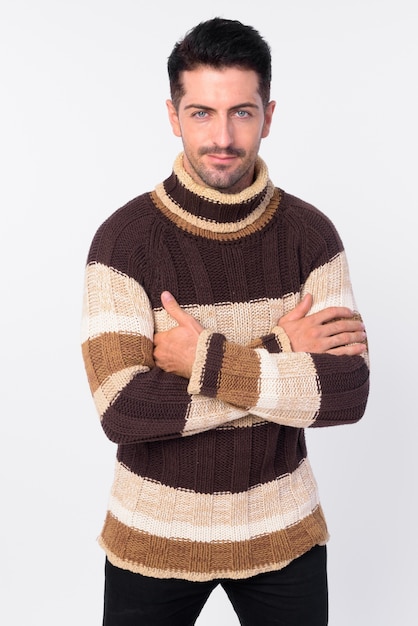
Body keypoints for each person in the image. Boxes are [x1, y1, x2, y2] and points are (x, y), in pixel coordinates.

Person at [81, 17, 369, 626]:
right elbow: (124, 408)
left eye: (241, 112)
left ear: (268, 115)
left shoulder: (311, 236)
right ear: (173, 114)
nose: (223, 136)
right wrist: (284, 345)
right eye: (202, 113)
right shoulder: (123, 242)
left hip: (282, 533)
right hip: (151, 535)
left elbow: (346, 392)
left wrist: (201, 359)